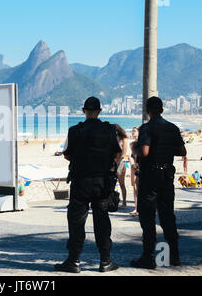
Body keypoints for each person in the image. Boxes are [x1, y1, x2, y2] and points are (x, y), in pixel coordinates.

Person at [55, 97, 122, 274]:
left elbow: (67, 155)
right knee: (102, 221)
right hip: (102, 183)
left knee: (77, 222)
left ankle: (74, 260)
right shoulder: (109, 130)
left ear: (84, 111)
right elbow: (117, 152)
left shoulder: (75, 130)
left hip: (81, 181)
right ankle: (105, 261)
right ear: (99, 111)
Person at [131, 97, 187, 269]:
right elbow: (182, 151)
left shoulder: (147, 128)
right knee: (167, 216)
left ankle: (148, 257)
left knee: (147, 217)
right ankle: (174, 256)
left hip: (150, 176)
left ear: (147, 110)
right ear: (162, 110)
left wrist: (134, 147)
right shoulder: (172, 128)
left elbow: (145, 152)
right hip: (167, 176)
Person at [114, 124, 129, 209]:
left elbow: (124, 154)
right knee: (112, 183)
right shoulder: (114, 139)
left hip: (121, 163)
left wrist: (127, 167)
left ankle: (124, 202)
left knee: (121, 183)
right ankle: (114, 200)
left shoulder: (124, 140)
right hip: (114, 162)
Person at [129, 127, 140, 217]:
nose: (132, 133)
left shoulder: (142, 143)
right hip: (134, 167)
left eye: (134, 131)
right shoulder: (132, 144)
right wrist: (132, 162)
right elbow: (132, 156)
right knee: (135, 188)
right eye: (132, 131)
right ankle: (136, 208)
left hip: (142, 167)